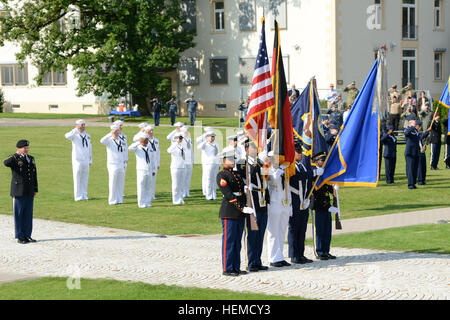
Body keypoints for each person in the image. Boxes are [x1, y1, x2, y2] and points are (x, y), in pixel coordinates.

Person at [216, 146, 252, 276]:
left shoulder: (236, 174)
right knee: (229, 241)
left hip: (240, 212)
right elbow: (229, 195)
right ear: (223, 160)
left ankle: (236, 267)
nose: (233, 161)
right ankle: (227, 268)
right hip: (230, 211)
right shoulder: (222, 175)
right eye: (230, 159)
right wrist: (242, 207)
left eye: (233, 158)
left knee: (237, 241)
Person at [238, 140, 270, 272]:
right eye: (252, 147)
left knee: (260, 232)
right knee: (252, 232)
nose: (255, 149)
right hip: (251, 199)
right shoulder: (242, 162)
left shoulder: (260, 162)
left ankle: (257, 260)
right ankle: (250, 262)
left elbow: (266, 177)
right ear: (246, 149)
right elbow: (244, 176)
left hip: (261, 199)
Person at [288, 140, 320, 264]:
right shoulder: (290, 166)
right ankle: (293, 254)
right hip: (294, 199)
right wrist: (313, 172)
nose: (300, 154)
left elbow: (306, 181)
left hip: (303, 199)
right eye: (298, 152)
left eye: (301, 151)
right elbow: (297, 176)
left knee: (302, 228)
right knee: (294, 228)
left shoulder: (302, 165)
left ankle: (300, 254)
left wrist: (307, 198)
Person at [4, 140, 38, 244]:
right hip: (19, 191)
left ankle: (27, 235)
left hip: (29, 190)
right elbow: (6, 162)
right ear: (19, 148)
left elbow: (34, 174)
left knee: (28, 214)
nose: (27, 149)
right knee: (19, 214)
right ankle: (20, 236)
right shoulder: (15, 158)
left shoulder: (31, 158)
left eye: (27, 148)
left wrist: (35, 188)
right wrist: (16, 154)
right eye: (24, 148)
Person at [311, 151, 339, 260]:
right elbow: (315, 191)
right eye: (322, 160)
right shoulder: (314, 174)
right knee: (319, 229)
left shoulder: (325, 173)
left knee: (327, 230)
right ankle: (319, 251)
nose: (323, 162)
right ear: (317, 161)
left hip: (327, 205)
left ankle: (326, 250)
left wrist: (335, 189)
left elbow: (328, 189)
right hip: (317, 205)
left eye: (324, 160)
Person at [266, 151, 291, 268]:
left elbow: (288, 185)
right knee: (273, 231)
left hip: (284, 202)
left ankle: (280, 255)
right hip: (274, 202)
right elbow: (273, 180)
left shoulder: (284, 170)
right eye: (274, 159)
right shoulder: (267, 169)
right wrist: (280, 169)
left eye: (278, 158)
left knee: (282, 230)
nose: (276, 160)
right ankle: (273, 257)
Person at [64, 119, 92, 201]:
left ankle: (84, 194)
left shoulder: (87, 136)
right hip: (77, 160)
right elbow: (67, 136)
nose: (83, 126)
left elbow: (89, 148)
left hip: (86, 159)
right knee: (77, 177)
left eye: (84, 124)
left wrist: (90, 159)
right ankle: (78, 196)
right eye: (81, 125)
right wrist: (75, 129)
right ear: (77, 125)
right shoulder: (74, 135)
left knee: (85, 178)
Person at [128, 132, 157, 208]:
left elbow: (153, 159)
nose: (146, 141)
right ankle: (141, 203)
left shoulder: (150, 148)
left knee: (148, 186)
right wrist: (139, 142)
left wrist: (154, 170)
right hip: (141, 170)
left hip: (149, 169)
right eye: (144, 140)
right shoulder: (137, 148)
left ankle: (147, 202)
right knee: (141, 186)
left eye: (146, 140)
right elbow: (130, 148)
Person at [100, 124, 126, 205]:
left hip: (121, 163)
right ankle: (112, 200)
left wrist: (124, 161)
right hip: (112, 164)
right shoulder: (109, 140)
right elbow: (102, 140)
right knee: (112, 182)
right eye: (114, 131)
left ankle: (119, 199)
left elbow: (123, 151)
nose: (116, 133)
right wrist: (110, 133)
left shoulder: (121, 140)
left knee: (120, 182)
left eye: (117, 131)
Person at [404, 120, 430, 189]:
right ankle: (410, 184)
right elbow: (406, 133)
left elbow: (419, 138)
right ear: (410, 124)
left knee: (415, 169)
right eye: (414, 124)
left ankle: (413, 183)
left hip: (416, 152)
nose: (415, 125)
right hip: (410, 153)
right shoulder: (407, 130)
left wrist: (427, 132)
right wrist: (411, 127)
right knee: (411, 169)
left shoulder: (415, 132)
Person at [197, 131, 220, 200]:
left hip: (215, 163)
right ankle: (209, 195)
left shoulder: (216, 144)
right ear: (207, 137)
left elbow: (218, 154)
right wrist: (205, 141)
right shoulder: (205, 144)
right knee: (209, 179)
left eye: (213, 137)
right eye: (210, 136)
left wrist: (219, 164)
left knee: (214, 180)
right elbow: (199, 147)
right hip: (208, 163)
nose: (212, 138)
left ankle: (214, 194)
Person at [167, 134, 187, 205]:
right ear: (175, 139)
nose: (180, 140)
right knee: (175, 184)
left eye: (181, 138)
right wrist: (175, 143)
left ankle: (180, 198)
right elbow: (168, 151)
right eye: (179, 138)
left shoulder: (182, 146)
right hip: (175, 167)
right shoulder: (173, 146)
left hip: (182, 166)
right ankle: (175, 200)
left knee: (181, 184)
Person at [196, 127, 214, 196]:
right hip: (205, 159)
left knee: (210, 176)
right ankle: (205, 190)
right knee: (205, 175)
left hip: (211, 159)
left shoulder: (213, 139)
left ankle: (209, 190)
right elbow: (197, 140)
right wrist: (205, 135)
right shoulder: (203, 137)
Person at [144, 125, 160, 200]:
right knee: (148, 180)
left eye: (152, 130)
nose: (152, 132)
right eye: (150, 130)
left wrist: (158, 163)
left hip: (155, 162)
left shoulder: (156, 140)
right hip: (148, 162)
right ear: (146, 131)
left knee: (153, 179)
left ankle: (152, 194)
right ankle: (147, 194)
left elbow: (158, 152)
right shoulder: (145, 140)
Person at [113, 120, 128, 197]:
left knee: (122, 177)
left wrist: (126, 159)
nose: (121, 127)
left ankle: (120, 192)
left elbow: (126, 148)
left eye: (122, 125)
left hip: (123, 159)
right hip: (115, 159)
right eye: (120, 125)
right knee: (114, 178)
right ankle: (114, 192)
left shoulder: (124, 136)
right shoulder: (113, 136)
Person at [181, 125, 194, 198]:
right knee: (183, 177)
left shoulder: (189, 139)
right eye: (185, 131)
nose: (186, 133)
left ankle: (187, 191)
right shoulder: (180, 140)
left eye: (187, 131)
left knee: (188, 177)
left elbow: (191, 151)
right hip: (183, 161)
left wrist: (192, 160)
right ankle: (183, 192)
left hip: (189, 161)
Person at [416, 121, 428, 185]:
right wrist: (427, 132)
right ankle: (420, 180)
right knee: (420, 167)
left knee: (424, 167)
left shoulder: (419, 133)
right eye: (419, 126)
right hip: (418, 152)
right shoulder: (414, 133)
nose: (420, 128)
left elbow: (421, 141)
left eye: (420, 126)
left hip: (422, 152)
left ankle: (423, 179)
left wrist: (424, 147)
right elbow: (420, 137)